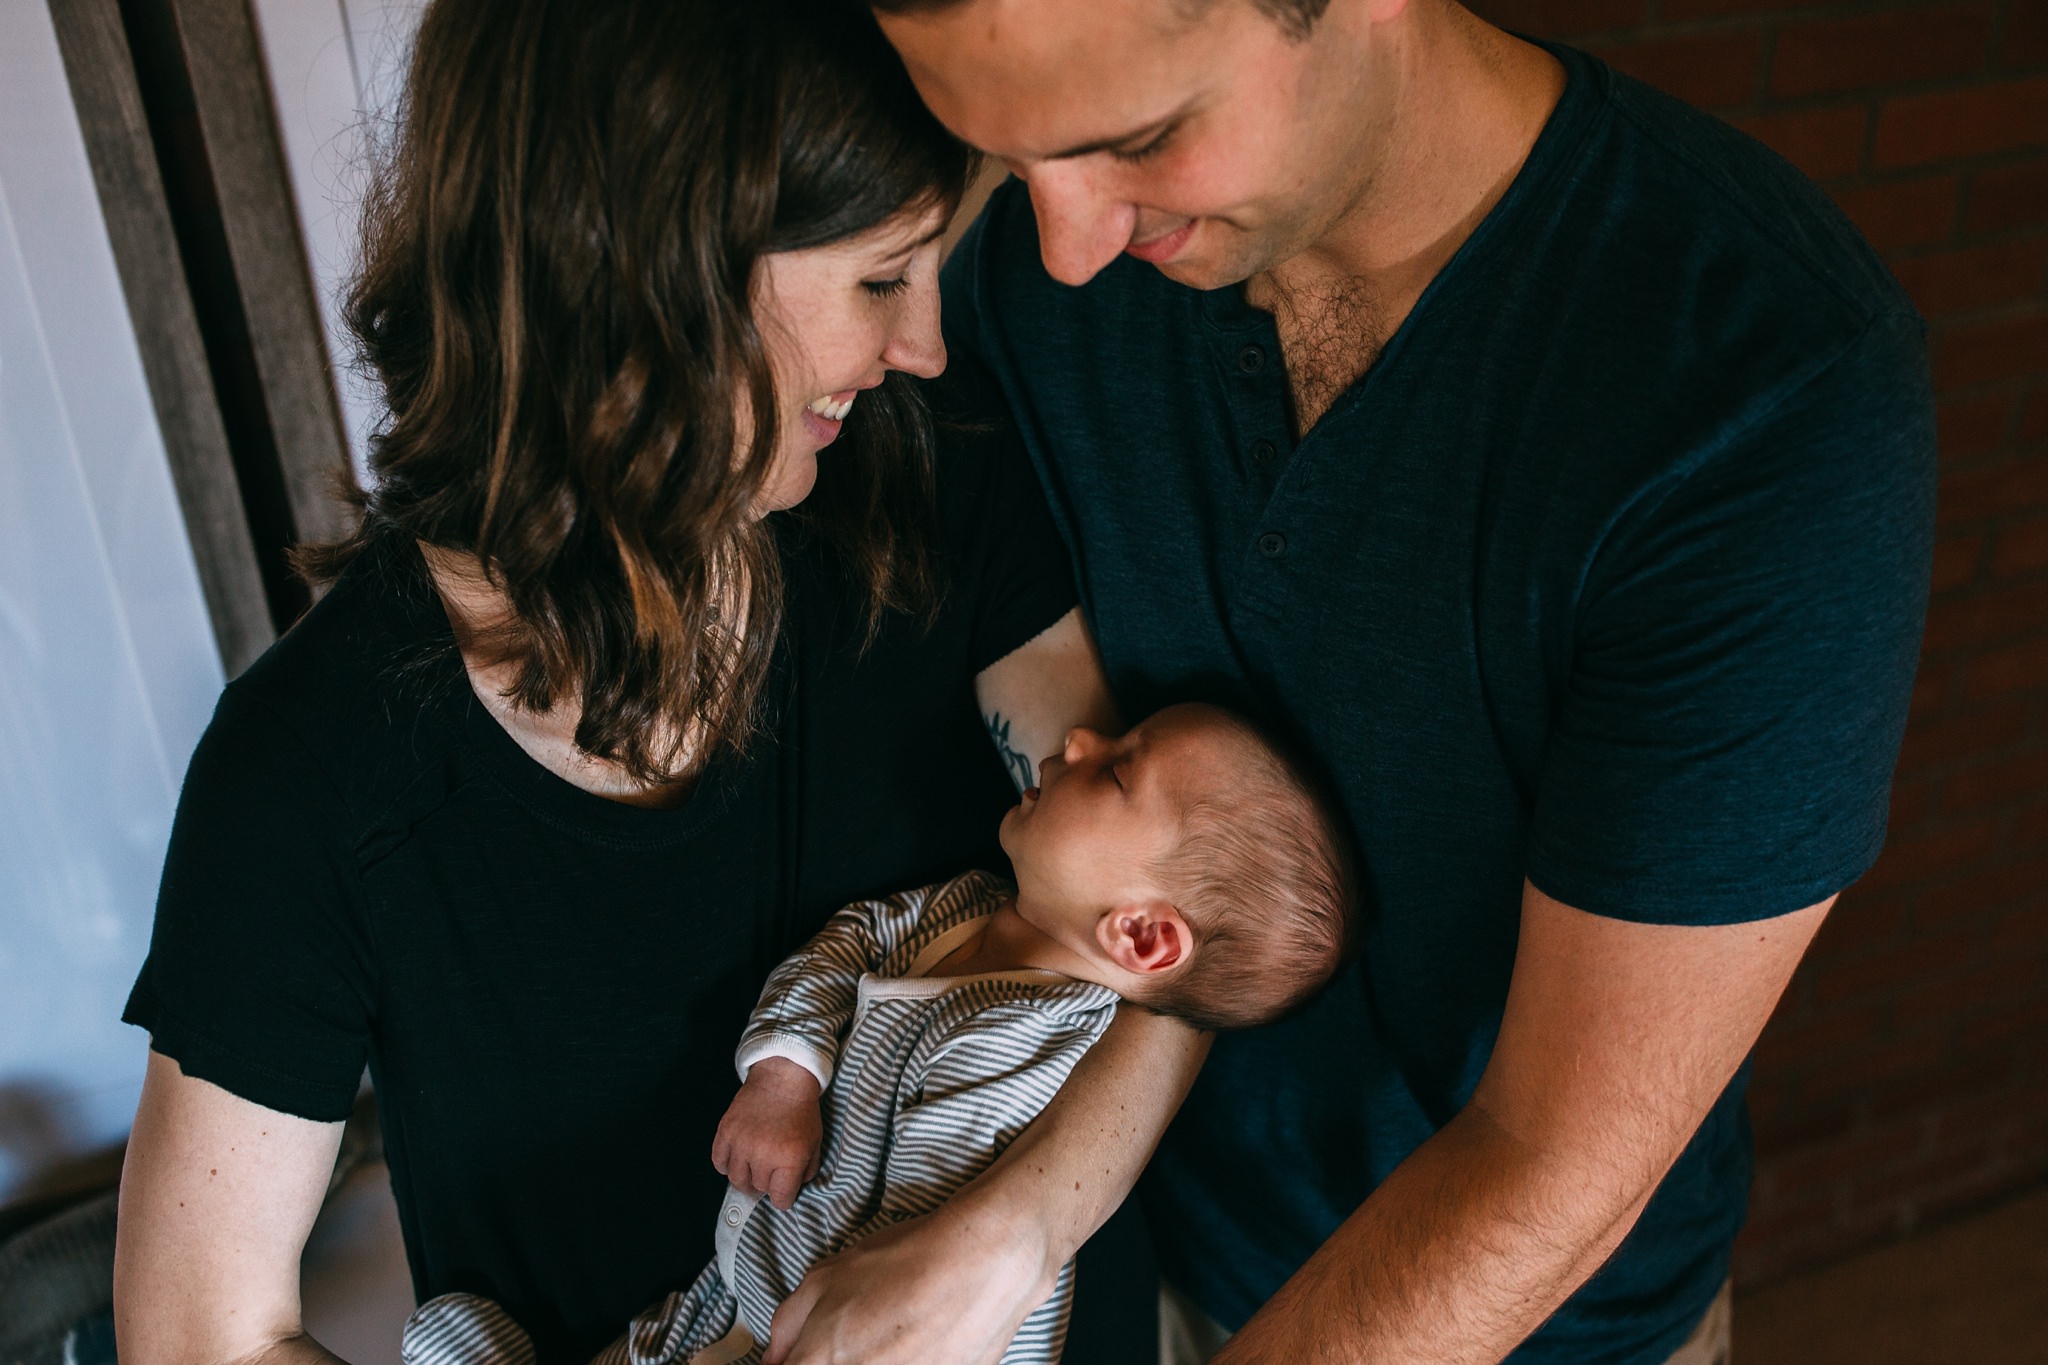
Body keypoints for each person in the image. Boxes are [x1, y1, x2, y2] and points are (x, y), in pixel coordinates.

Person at [759, 0, 1939, 1361]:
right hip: (1132, 1241)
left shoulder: (1767, 392)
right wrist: (1025, 1216)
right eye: (1011, 161)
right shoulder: (1049, 259)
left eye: (1140, 139)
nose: (1066, 245)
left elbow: (1552, 1160)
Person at [109, 1, 1207, 1362]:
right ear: (652, 283)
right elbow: (199, 1336)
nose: (921, 342)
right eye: (879, 280)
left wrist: (1012, 1234)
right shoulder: (314, 771)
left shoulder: (933, 469)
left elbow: (1184, 913)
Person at [397, 701, 1358, 1365]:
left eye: (1114, 770)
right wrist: (786, 1074)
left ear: (1141, 934)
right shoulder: (971, 906)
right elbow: (843, 945)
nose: (1073, 736)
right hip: (719, 1299)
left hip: (821, 1332)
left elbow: (937, 1281)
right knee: (446, 1327)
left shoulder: (1028, 1047)